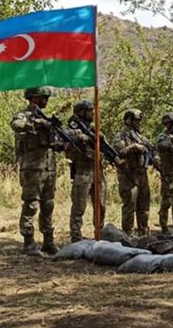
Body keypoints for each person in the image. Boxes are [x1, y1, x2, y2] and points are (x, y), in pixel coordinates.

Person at [10, 87, 60, 256]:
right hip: (31, 169)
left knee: (48, 205)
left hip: (49, 168)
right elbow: (16, 125)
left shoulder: (46, 118)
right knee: (31, 205)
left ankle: (48, 241)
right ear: (33, 98)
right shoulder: (24, 115)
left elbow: (56, 143)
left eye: (47, 97)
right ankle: (29, 242)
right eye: (42, 97)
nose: (46, 100)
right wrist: (35, 123)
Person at [66, 99, 107, 243]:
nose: (92, 113)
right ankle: (76, 236)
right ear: (81, 112)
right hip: (82, 171)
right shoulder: (73, 129)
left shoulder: (93, 129)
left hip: (98, 171)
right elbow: (65, 140)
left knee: (101, 205)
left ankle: (99, 233)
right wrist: (79, 137)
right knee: (79, 206)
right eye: (89, 111)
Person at [112, 109, 159, 236]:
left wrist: (155, 157)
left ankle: (143, 232)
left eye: (140, 120)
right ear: (129, 121)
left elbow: (153, 148)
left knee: (144, 205)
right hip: (129, 176)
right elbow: (118, 152)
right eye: (137, 120)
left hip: (142, 175)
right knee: (130, 206)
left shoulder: (140, 137)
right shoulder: (121, 136)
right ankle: (128, 234)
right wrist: (133, 147)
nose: (139, 123)